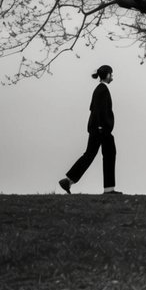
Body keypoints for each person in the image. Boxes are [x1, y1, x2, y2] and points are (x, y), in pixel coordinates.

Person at [58, 65, 120, 195]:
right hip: (101, 129)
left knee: (90, 155)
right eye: (111, 74)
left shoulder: (99, 89)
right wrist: (101, 127)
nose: (112, 76)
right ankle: (109, 189)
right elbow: (98, 109)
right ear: (108, 75)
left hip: (97, 128)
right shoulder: (102, 89)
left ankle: (68, 180)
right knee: (108, 154)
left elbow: (93, 108)